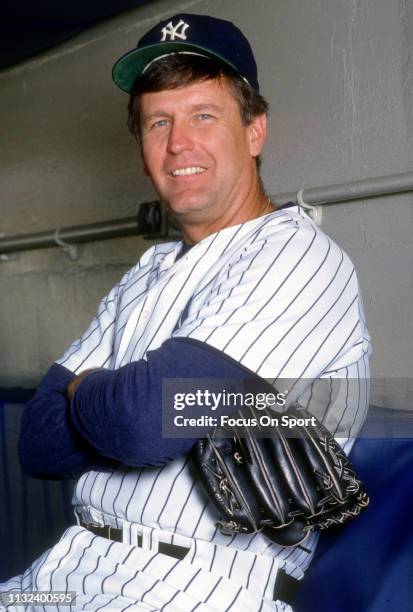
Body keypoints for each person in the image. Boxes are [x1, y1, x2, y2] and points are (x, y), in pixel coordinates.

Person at [0, 13, 371, 612]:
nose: (178, 144)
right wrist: (124, 401)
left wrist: (85, 389)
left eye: (204, 115)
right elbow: (39, 443)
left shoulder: (296, 254)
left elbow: (145, 423)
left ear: (254, 130)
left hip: (193, 585)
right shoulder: (148, 272)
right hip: (72, 568)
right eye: (158, 122)